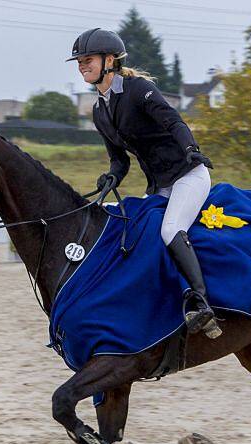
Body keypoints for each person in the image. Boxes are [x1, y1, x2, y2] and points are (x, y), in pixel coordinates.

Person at [67, 28, 221, 339]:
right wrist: (111, 176)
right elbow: (120, 160)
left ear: (109, 60)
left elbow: (173, 121)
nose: (82, 65)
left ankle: (200, 302)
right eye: (79, 61)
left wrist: (192, 149)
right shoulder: (99, 110)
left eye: (88, 60)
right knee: (139, 234)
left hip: (188, 175)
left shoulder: (138, 90)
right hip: (159, 186)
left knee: (169, 229)